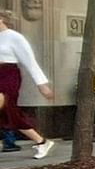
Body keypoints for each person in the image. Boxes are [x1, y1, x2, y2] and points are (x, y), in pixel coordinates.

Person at [0, 10, 56, 159]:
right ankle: (41, 141)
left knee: (7, 110)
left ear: (1, 19)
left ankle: (41, 142)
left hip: (8, 75)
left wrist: (41, 84)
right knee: (9, 114)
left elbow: (30, 61)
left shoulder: (15, 37)